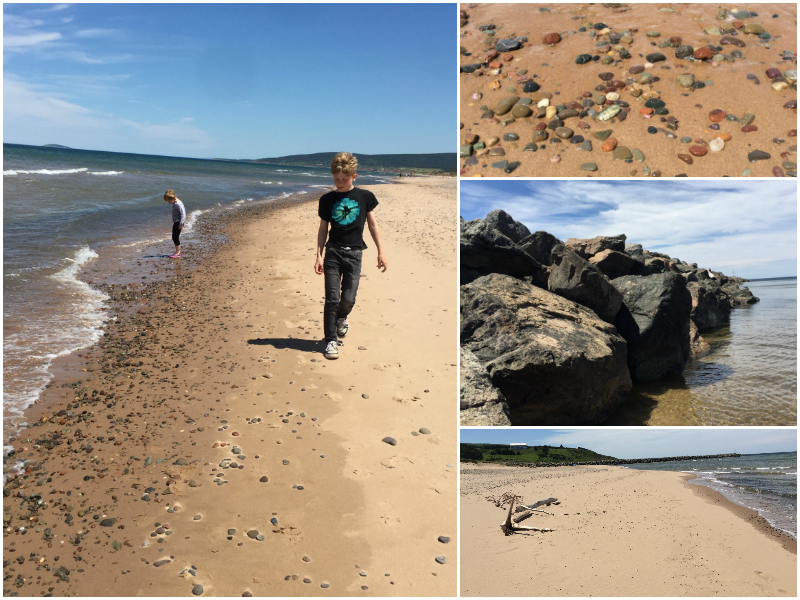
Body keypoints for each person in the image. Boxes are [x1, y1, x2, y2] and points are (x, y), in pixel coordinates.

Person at [314, 152, 387, 360]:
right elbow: (322, 229)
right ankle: (330, 341)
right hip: (333, 253)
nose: (340, 183)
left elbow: (373, 225)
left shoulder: (365, 197)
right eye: (336, 180)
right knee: (332, 299)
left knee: (348, 299)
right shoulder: (327, 199)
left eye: (344, 180)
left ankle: (342, 317)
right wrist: (318, 255)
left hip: (355, 254)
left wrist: (381, 251)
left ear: (354, 176)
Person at [164, 189, 185, 258]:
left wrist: (181, 224)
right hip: (177, 222)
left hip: (178, 222)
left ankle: (178, 253)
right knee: (174, 237)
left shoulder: (178, 204)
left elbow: (183, 214)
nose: (169, 202)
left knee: (175, 237)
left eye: (169, 201)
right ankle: (177, 252)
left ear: (172, 198)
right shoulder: (176, 203)